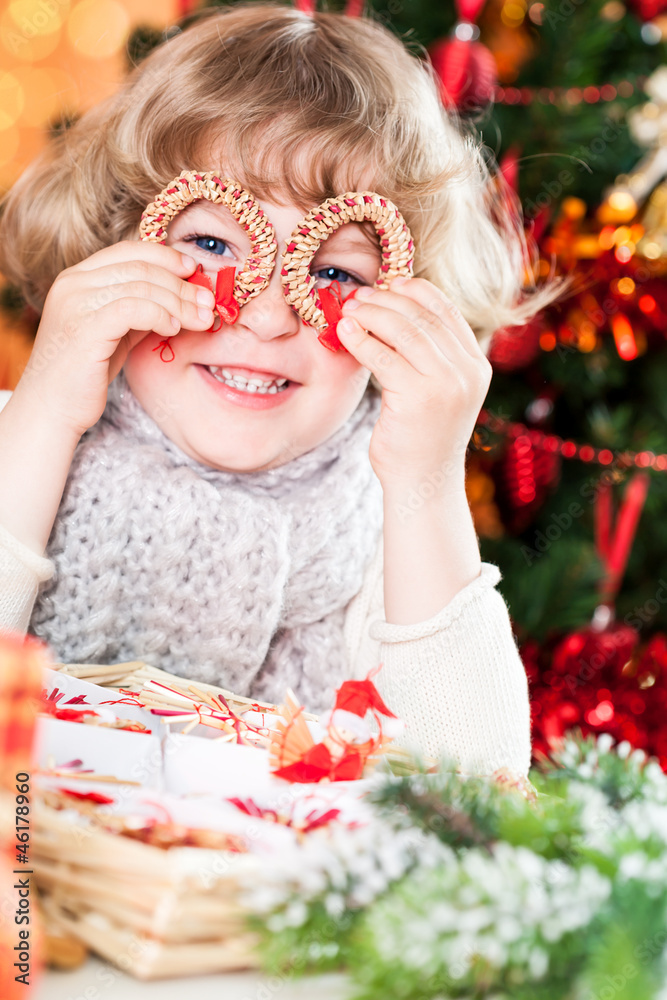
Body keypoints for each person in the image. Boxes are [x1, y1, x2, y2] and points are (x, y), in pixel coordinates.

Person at [0, 3, 566, 776]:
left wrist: (425, 482)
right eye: (208, 243)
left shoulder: (390, 545)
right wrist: (42, 414)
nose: (267, 315)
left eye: (334, 272)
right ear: (114, 242)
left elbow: (475, 794)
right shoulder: (22, 444)